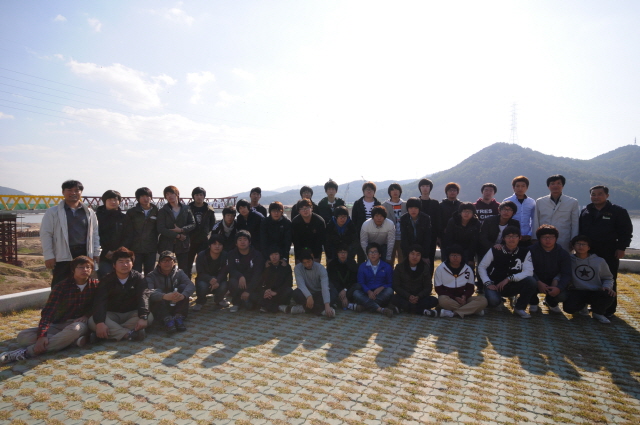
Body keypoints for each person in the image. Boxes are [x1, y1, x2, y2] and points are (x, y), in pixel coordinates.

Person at [1, 256, 98, 364]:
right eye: (81, 267)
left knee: (75, 329)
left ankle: (27, 352)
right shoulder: (61, 287)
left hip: (79, 324)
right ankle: (71, 342)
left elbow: (99, 306)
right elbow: (48, 312)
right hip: (58, 323)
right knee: (22, 337)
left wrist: (86, 316)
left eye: (88, 267)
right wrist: (42, 336)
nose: (85, 270)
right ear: (73, 269)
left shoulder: (96, 285)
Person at [578, 185, 633, 317]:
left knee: (609, 278)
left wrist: (621, 248)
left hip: (609, 250)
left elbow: (626, 232)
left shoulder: (618, 211)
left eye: (600, 194)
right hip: (589, 251)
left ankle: (608, 309)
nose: (596, 197)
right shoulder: (586, 211)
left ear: (607, 196)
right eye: (593, 194)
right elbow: (580, 231)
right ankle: (590, 304)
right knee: (589, 277)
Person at [41, 180, 100, 287]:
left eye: (77, 190)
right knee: (60, 284)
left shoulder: (89, 212)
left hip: (84, 253)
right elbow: (46, 234)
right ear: (63, 192)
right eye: (69, 190)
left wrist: (96, 252)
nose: (73, 193)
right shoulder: (53, 212)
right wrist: (48, 255)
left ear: (81, 192)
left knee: (84, 283)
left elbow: (95, 233)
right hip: (62, 254)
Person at [89, 247, 152, 342]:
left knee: (149, 317)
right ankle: (129, 334)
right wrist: (100, 323)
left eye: (127, 261)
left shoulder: (138, 278)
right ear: (114, 265)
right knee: (93, 321)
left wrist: (143, 316)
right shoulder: (107, 280)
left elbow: (143, 297)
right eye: (121, 262)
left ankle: (107, 334)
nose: (125, 265)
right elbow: (100, 301)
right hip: (111, 314)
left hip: (131, 313)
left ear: (132, 263)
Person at [478, 226, 538, 318]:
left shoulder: (525, 252)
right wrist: (487, 283)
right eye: (508, 236)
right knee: (493, 301)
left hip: (513, 284)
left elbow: (529, 272)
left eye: (514, 236)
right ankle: (497, 300)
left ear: (520, 238)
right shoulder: (495, 250)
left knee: (531, 281)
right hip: (495, 285)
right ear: (503, 238)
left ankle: (519, 308)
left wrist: (509, 279)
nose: (511, 239)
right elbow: (482, 267)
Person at [564, 235, 616, 324]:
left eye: (584, 244)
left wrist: (607, 287)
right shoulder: (568, 260)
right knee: (569, 308)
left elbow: (608, 278)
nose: (581, 246)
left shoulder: (599, 261)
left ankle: (598, 313)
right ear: (573, 246)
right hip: (578, 290)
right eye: (578, 244)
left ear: (589, 247)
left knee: (609, 293)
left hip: (596, 291)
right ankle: (582, 307)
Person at [146, 251, 195, 333]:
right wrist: (164, 296)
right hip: (161, 306)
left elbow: (191, 285)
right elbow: (148, 292)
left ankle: (179, 316)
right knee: (156, 292)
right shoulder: (151, 275)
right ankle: (167, 319)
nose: (167, 263)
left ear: (174, 262)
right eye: (164, 261)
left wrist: (183, 295)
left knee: (183, 287)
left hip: (176, 302)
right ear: (159, 263)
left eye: (169, 260)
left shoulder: (179, 272)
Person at [434, 245, 487, 318]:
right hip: (449, 299)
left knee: (483, 300)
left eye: (458, 255)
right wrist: (455, 298)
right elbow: (439, 290)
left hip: (464, 299)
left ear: (462, 257)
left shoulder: (468, 269)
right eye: (452, 255)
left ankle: (453, 313)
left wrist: (464, 297)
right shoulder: (440, 269)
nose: (455, 258)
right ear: (448, 257)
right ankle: (472, 310)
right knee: (442, 300)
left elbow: (470, 288)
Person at [528, 225, 571, 313]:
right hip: (536, 280)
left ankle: (551, 302)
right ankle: (533, 302)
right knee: (528, 281)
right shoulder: (530, 251)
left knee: (562, 296)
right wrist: (538, 281)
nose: (548, 240)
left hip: (553, 282)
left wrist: (559, 288)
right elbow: (527, 269)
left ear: (556, 239)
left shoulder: (563, 253)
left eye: (551, 237)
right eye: (544, 237)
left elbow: (566, 273)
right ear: (539, 239)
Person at [533, 174, 580, 251]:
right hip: (544, 239)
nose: (555, 186)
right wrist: (535, 238)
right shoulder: (540, 201)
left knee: (563, 257)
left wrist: (574, 240)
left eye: (558, 183)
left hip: (564, 238)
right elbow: (536, 221)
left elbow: (575, 223)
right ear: (548, 186)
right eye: (552, 183)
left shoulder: (572, 202)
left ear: (563, 186)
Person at [390, 245, 439, 316]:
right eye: (412, 254)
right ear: (408, 254)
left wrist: (418, 296)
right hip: (405, 296)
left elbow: (428, 287)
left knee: (434, 300)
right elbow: (396, 286)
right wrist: (408, 296)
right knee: (393, 298)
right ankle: (421, 311)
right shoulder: (400, 267)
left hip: (419, 298)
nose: (415, 257)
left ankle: (405, 309)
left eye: (418, 255)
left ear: (421, 256)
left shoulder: (425, 267)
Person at [157, 186, 195, 275]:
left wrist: (182, 230)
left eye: (172, 193)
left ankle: (183, 284)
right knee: (165, 268)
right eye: (167, 194)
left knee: (184, 269)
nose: (170, 196)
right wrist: (177, 235)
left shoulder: (186, 209)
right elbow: (161, 228)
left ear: (177, 194)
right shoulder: (162, 211)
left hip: (183, 243)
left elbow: (193, 224)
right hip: (166, 243)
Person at [352, 243, 394, 317]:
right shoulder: (362, 266)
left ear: (380, 254)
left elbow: (390, 283)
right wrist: (368, 291)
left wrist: (382, 287)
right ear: (367, 255)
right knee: (356, 293)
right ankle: (381, 309)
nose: (373, 254)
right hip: (367, 293)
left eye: (375, 252)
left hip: (380, 293)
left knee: (389, 291)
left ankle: (365, 306)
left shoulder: (387, 267)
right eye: (370, 252)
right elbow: (361, 282)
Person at [226, 230, 265, 312]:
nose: (242, 242)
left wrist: (248, 291)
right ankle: (236, 303)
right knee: (232, 281)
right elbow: (231, 269)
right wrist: (240, 276)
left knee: (250, 307)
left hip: (253, 284)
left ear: (249, 242)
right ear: (236, 243)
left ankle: (245, 299)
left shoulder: (257, 255)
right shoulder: (231, 254)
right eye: (240, 240)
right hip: (240, 282)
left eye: (245, 239)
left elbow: (258, 274)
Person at [124, 187, 159, 275]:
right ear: (138, 198)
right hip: (135, 248)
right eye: (142, 196)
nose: (145, 199)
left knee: (150, 273)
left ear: (151, 197)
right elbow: (127, 230)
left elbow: (159, 229)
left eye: (147, 196)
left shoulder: (157, 212)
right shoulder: (132, 212)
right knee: (135, 273)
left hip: (151, 248)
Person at [291, 250, 336, 316]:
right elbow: (301, 285)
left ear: (312, 258)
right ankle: (322, 310)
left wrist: (327, 305)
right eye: (304, 263)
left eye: (308, 261)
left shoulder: (320, 268)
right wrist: (309, 296)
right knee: (296, 293)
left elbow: (325, 287)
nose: (307, 264)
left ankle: (304, 309)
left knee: (333, 294)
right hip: (306, 292)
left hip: (319, 293)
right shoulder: (298, 268)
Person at [193, 235, 229, 312]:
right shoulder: (201, 255)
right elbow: (200, 272)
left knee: (224, 284)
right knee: (202, 285)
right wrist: (210, 279)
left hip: (219, 280)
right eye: (214, 244)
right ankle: (200, 301)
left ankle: (219, 299)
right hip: (205, 280)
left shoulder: (225, 255)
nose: (217, 246)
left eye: (220, 244)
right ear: (209, 245)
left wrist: (217, 280)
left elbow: (224, 271)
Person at [95, 190, 126, 278]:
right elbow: (94, 236)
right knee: (105, 278)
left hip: (121, 255)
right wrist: (105, 251)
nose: (113, 202)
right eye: (110, 200)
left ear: (119, 201)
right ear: (104, 201)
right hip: (103, 256)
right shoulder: (96, 217)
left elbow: (128, 235)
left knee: (121, 278)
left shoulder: (124, 217)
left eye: (115, 200)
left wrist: (119, 251)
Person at [187, 187, 216, 279]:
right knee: (187, 264)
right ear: (193, 196)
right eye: (196, 195)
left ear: (204, 196)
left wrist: (205, 232)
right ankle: (187, 283)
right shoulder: (187, 209)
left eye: (201, 195)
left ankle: (202, 282)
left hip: (203, 241)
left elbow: (212, 224)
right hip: (190, 240)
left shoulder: (209, 210)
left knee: (203, 263)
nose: (199, 197)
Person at [442, 203, 481, 267]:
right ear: (460, 212)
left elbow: (474, 242)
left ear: (473, 214)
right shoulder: (453, 221)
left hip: (468, 249)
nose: (466, 214)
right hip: (453, 248)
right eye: (464, 211)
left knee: (469, 267)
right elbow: (449, 238)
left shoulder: (476, 223)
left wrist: (471, 258)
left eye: (469, 212)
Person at [351, 181, 381, 263]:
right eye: (367, 189)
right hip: (360, 233)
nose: (369, 191)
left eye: (371, 189)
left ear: (374, 191)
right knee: (361, 256)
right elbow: (354, 220)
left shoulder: (378, 204)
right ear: (363, 191)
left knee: (374, 255)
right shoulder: (357, 203)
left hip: (375, 233)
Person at [258, 247, 293, 313]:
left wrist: (276, 292)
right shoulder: (266, 266)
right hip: (269, 292)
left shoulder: (286, 267)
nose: (274, 257)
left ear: (280, 255)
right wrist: (267, 291)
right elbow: (262, 282)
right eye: (271, 255)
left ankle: (268, 306)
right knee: (257, 295)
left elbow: (289, 283)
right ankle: (279, 307)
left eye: (276, 254)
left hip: (280, 292)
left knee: (289, 291)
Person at [503, 176, 536, 246]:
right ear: (513, 187)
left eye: (523, 186)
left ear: (527, 188)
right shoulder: (507, 201)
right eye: (517, 186)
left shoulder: (531, 202)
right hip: (511, 236)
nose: (520, 188)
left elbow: (534, 219)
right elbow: (503, 219)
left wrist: (530, 234)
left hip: (527, 236)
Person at [291, 198, 326, 263]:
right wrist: (299, 256)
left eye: (307, 208)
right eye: (302, 209)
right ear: (298, 211)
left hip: (315, 250)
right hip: (300, 250)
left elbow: (320, 241)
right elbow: (296, 241)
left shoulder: (319, 221)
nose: (305, 210)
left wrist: (316, 256)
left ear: (312, 208)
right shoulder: (295, 222)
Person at [417, 179, 440, 276]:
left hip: (432, 236)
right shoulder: (416, 202)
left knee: (430, 259)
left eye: (427, 186)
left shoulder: (435, 203)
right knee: (417, 258)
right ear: (420, 188)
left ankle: (428, 280)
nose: (425, 188)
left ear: (430, 188)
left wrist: (438, 236)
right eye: (423, 186)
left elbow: (438, 220)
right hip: (417, 236)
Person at [327, 245, 360, 310]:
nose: (343, 254)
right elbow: (333, 280)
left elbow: (353, 279)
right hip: (337, 289)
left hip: (348, 289)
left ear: (347, 253)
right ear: (337, 254)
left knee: (358, 285)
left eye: (344, 252)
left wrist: (345, 290)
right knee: (329, 284)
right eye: (340, 252)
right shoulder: (332, 264)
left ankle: (339, 303)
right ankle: (348, 304)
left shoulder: (352, 263)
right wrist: (340, 290)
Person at [399, 197, 432, 263]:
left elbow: (427, 238)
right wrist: (407, 255)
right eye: (411, 208)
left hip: (422, 248)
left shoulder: (426, 218)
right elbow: (404, 238)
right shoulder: (403, 219)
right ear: (407, 209)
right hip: (408, 249)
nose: (413, 210)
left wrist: (425, 256)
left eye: (416, 208)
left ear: (419, 209)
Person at [383, 183, 407, 264]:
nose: (395, 192)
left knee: (402, 260)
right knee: (389, 260)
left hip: (403, 237)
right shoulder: (384, 205)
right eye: (392, 190)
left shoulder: (405, 205)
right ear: (389, 192)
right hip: (389, 237)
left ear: (400, 191)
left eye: (397, 189)